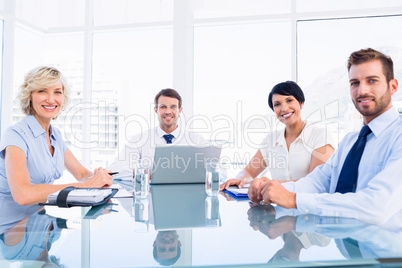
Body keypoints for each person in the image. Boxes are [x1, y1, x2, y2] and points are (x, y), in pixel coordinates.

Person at [249, 48, 402, 225]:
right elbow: (318, 182)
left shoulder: (398, 136)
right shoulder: (350, 142)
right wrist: (270, 189)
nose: (362, 90)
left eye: (372, 81)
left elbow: (377, 206)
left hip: (386, 251)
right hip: (344, 243)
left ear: (393, 86)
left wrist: (293, 199)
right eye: (354, 83)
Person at [0, 66, 113, 207]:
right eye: (42, 91)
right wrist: (87, 185)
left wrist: (99, 178)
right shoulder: (15, 135)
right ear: (29, 96)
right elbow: (23, 195)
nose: (51, 99)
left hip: (40, 221)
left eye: (57, 92)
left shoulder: (55, 135)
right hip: (13, 226)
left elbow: (82, 174)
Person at [220, 81, 335, 190]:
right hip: (278, 209)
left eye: (289, 100)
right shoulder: (270, 140)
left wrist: (272, 185)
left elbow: (316, 183)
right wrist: (240, 179)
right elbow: (249, 171)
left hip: (309, 208)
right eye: (277, 104)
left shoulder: (320, 136)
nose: (284, 108)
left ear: (301, 103)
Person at [108, 88, 206, 176]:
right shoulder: (139, 140)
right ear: (156, 110)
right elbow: (115, 168)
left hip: (188, 194)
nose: (168, 111)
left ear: (180, 110)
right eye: (163, 107)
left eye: (173, 107)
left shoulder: (197, 140)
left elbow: (217, 169)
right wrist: (146, 174)